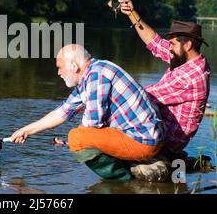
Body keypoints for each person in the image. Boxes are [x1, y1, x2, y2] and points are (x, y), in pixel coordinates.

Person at [9, 44, 164, 162]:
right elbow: (61, 112)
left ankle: (123, 177)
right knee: (78, 136)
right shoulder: (91, 74)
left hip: (142, 140)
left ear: (74, 66)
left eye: (60, 67)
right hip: (145, 135)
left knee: (77, 137)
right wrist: (27, 130)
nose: (58, 73)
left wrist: (70, 142)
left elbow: (92, 124)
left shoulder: (96, 75)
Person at [119, 0, 210, 159]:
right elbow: (154, 42)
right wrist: (132, 14)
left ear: (187, 45)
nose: (169, 48)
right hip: (161, 128)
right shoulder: (189, 59)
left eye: (172, 44)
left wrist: (104, 94)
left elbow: (141, 96)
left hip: (166, 142)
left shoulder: (189, 77)